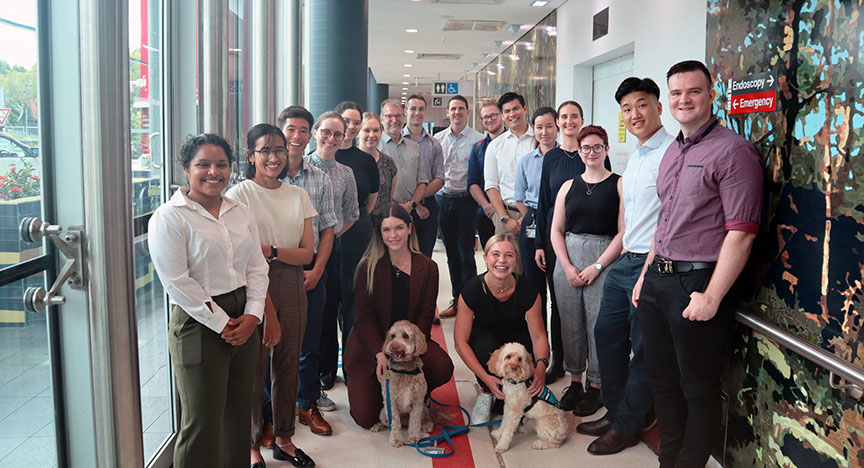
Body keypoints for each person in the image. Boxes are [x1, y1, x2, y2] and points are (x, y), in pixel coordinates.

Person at [632, 60, 762, 468]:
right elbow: (664, 221)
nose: (683, 99)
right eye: (676, 93)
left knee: (697, 390)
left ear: (710, 95)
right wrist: (644, 276)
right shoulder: (673, 149)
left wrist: (711, 297)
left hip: (698, 283)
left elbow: (741, 233)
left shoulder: (734, 151)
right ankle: (668, 460)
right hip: (658, 280)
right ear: (667, 99)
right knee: (661, 382)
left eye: (693, 91)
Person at [148, 134, 269, 468]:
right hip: (197, 321)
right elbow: (178, 283)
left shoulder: (240, 211)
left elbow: (257, 266)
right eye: (203, 164)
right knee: (201, 421)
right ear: (185, 168)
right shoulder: (169, 217)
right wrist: (223, 323)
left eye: (221, 165)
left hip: (244, 314)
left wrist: (253, 316)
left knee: (237, 413)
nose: (213, 172)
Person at [577, 77, 675, 456]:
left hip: (651, 263)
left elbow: (668, 218)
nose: (634, 114)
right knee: (607, 336)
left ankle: (628, 425)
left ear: (658, 106)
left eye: (641, 105)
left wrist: (648, 267)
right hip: (624, 261)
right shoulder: (635, 156)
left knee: (642, 347)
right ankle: (617, 411)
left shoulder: (671, 152)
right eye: (627, 109)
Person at [225, 124, 317, 468]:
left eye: (279, 150)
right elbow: (244, 256)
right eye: (265, 151)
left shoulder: (298, 196)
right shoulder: (239, 195)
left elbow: (306, 254)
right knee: (254, 368)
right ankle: (251, 446)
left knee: (288, 362)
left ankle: (284, 439)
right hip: (251, 285)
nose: (274, 157)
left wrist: (271, 250)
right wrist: (268, 310)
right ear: (251, 156)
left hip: (292, 282)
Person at [344, 205, 455, 428]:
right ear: (380, 233)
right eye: (386, 230)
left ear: (410, 229)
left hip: (409, 343)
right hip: (371, 347)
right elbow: (364, 316)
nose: (393, 235)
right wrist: (380, 353)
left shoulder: (429, 268)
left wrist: (410, 351)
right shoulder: (368, 267)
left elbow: (425, 315)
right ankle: (380, 388)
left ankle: (414, 395)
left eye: (399, 228)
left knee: (443, 366)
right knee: (367, 417)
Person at [550, 125, 624, 418]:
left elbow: (623, 233)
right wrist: (567, 266)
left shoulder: (618, 184)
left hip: (603, 259)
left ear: (606, 149)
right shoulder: (568, 186)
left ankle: (597, 385)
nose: (591, 152)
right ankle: (575, 381)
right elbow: (556, 230)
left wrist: (597, 266)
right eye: (585, 148)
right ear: (578, 152)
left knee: (598, 326)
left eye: (597, 147)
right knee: (570, 323)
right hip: (567, 257)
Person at [535, 100, 611, 384]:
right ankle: (561, 361)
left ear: (581, 119)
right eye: (564, 116)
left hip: (593, 244)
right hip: (558, 243)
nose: (569, 121)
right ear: (558, 121)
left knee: (592, 309)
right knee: (561, 304)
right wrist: (541, 245)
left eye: (574, 116)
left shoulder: (592, 154)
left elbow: (607, 195)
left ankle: (595, 372)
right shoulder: (551, 158)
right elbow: (544, 204)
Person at [279, 105, 339, 436]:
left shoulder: (320, 179)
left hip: (311, 267)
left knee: (309, 343)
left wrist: (317, 270)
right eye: (291, 129)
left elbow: (328, 228)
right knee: (272, 342)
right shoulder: (264, 178)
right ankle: (271, 412)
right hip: (272, 270)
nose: (297, 136)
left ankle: (307, 404)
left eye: (304, 130)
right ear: (280, 132)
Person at [452, 234, 550, 424]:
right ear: (485, 257)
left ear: (517, 260)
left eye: (509, 255)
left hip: (518, 341)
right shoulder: (471, 290)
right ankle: (487, 393)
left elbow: (539, 336)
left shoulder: (528, 290)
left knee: (522, 357)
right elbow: (460, 343)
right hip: (485, 342)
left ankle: (514, 392)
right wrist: (485, 379)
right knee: (481, 345)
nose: (502, 261)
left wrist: (541, 367)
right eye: (495, 254)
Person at [309, 111, 360, 391]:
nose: (331, 138)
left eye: (337, 134)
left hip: (333, 249)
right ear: (316, 132)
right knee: (308, 312)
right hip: (301, 250)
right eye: (326, 132)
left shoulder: (345, 173)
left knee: (330, 308)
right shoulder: (301, 167)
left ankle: (327, 368)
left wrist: (330, 237)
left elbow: (352, 213)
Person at [334, 101, 381, 391]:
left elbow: (371, 200)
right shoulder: (319, 158)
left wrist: (355, 220)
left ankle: (352, 361)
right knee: (329, 301)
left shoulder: (365, 160)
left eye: (355, 123)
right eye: (346, 122)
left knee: (355, 300)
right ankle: (327, 368)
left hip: (358, 234)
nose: (351, 127)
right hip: (325, 237)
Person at [433, 95, 484, 318]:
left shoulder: (478, 140)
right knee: (451, 254)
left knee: (466, 254)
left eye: (461, 108)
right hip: (443, 200)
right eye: (453, 109)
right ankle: (457, 299)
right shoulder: (438, 139)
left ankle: (471, 304)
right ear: (447, 112)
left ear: (467, 111)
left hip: (467, 201)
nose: (457, 112)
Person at [514, 107, 558, 329]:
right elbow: (519, 198)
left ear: (557, 127)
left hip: (559, 221)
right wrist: (533, 219)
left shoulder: (567, 158)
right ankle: (539, 341)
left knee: (557, 285)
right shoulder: (526, 161)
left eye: (549, 126)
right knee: (533, 285)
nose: (544, 132)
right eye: (539, 127)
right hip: (531, 219)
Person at [379, 99, 429, 251]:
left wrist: (410, 205)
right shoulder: (375, 147)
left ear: (404, 116)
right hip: (386, 215)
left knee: (413, 257)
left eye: (398, 116)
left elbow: (422, 181)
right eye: (389, 116)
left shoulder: (414, 146)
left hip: (412, 211)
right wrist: (399, 208)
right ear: (381, 118)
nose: (394, 120)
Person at [484, 92, 534, 236]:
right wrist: (505, 218)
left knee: (533, 258)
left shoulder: (539, 141)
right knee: (504, 258)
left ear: (525, 109)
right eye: (507, 111)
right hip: (505, 216)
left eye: (516, 108)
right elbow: (491, 185)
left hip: (535, 215)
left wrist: (528, 216)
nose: (512, 114)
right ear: (502, 115)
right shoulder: (495, 146)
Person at [403, 94, 445, 257]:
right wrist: (413, 205)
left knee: (425, 256)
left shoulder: (434, 144)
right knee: (402, 255)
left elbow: (440, 178)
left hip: (428, 207)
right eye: (413, 108)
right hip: (401, 206)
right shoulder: (395, 141)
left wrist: (417, 201)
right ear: (406, 110)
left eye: (421, 109)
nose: (417, 112)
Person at [466, 100, 506, 261]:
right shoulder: (478, 147)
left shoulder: (515, 143)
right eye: (485, 117)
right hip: (486, 213)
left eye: (493, 115)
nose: (489, 120)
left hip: (511, 212)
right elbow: (472, 182)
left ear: (502, 116)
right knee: (491, 258)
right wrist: (487, 205)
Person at [358, 112, 398, 228]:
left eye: (376, 130)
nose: (372, 135)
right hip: (356, 226)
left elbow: (388, 199)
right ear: (358, 133)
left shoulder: (389, 163)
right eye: (366, 130)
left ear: (381, 132)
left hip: (381, 225)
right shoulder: (350, 162)